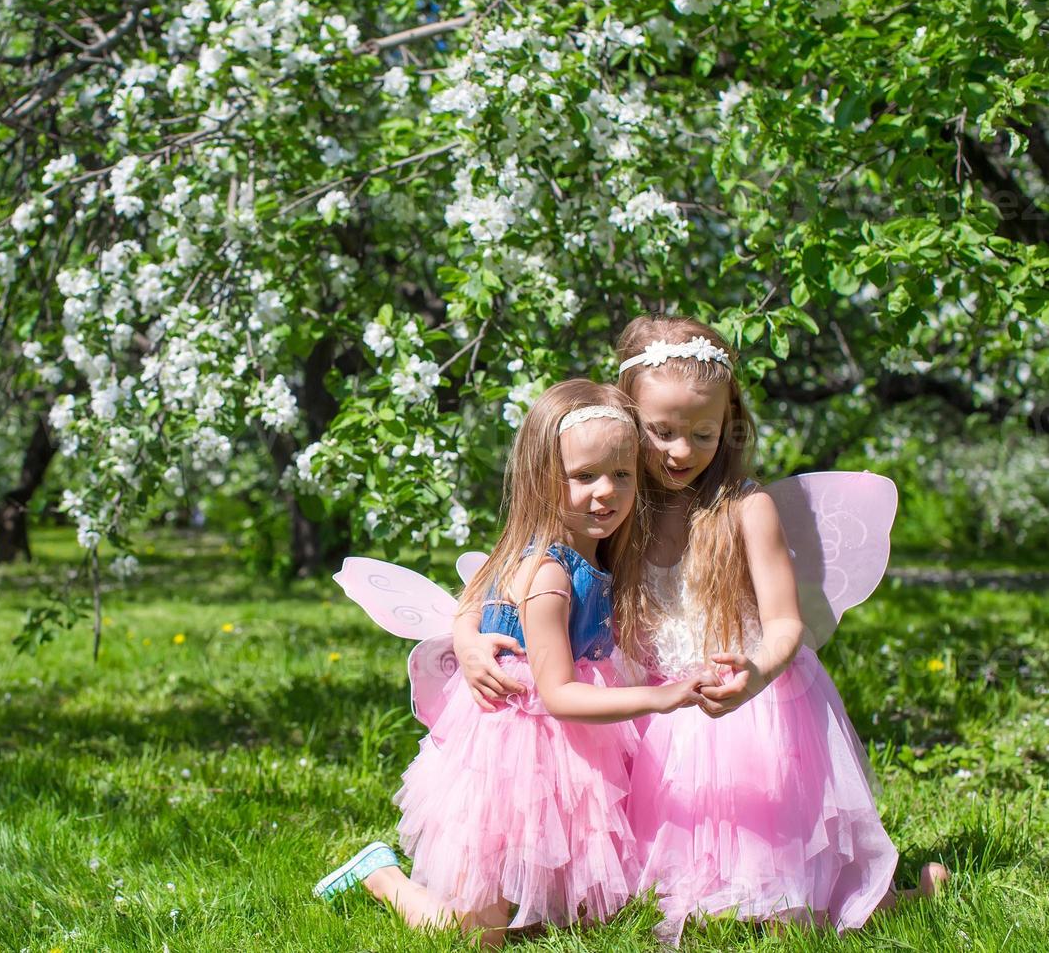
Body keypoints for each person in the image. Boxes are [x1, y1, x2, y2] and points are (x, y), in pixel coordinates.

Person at [314, 379, 709, 947]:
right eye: (584, 476)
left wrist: (467, 634)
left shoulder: (583, 552)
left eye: (622, 475)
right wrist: (662, 697)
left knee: (574, 914)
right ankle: (381, 875)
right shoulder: (549, 573)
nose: (607, 493)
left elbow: (471, 601)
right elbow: (559, 695)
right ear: (542, 479)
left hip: (567, 749)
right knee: (478, 936)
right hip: (514, 757)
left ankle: (535, 897)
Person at [612, 314, 948, 943]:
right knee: (662, 891)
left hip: (752, 706)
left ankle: (899, 893)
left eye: (703, 433)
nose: (681, 451)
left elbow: (786, 622)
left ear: (728, 425)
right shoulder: (616, 507)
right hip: (658, 709)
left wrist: (756, 674)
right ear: (626, 419)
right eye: (660, 432)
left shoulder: (745, 506)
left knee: (790, 902)